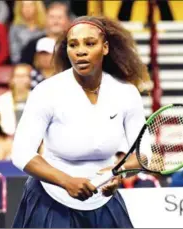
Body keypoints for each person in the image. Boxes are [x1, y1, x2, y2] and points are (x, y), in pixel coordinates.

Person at [10, 15, 151, 228]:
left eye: (90, 43)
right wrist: (66, 181)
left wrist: (119, 172)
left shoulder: (126, 93)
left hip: (103, 202)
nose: (80, 51)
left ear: (105, 48)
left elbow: (144, 154)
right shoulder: (46, 92)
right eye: (73, 45)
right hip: (50, 201)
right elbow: (21, 153)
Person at [0, 64, 32, 136]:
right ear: (12, 79)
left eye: (24, 76)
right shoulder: (1, 100)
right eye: (17, 76)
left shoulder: (38, 98)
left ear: (29, 79)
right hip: (8, 138)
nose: (20, 79)